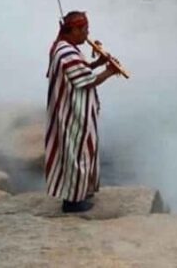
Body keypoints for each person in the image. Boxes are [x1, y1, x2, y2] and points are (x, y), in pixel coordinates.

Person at [45, 11, 119, 213]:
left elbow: (82, 69)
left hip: (76, 110)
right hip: (73, 113)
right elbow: (86, 80)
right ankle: (73, 201)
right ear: (74, 29)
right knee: (77, 152)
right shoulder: (66, 52)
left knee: (82, 150)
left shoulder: (65, 47)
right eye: (84, 30)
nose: (87, 35)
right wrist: (110, 72)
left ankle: (81, 191)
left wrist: (97, 63)